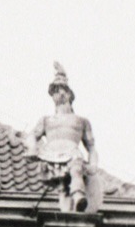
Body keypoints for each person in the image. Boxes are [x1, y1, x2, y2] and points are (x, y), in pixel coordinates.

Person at [26, 64, 98, 213]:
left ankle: (79, 196)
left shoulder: (81, 121)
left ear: (69, 94)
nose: (59, 94)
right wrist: (32, 148)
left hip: (72, 152)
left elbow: (91, 147)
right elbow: (31, 136)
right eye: (55, 91)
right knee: (62, 187)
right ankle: (68, 212)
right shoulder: (46, 120)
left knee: (76, 168)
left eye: (62, 89)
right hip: (51, 154)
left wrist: (93, 165)